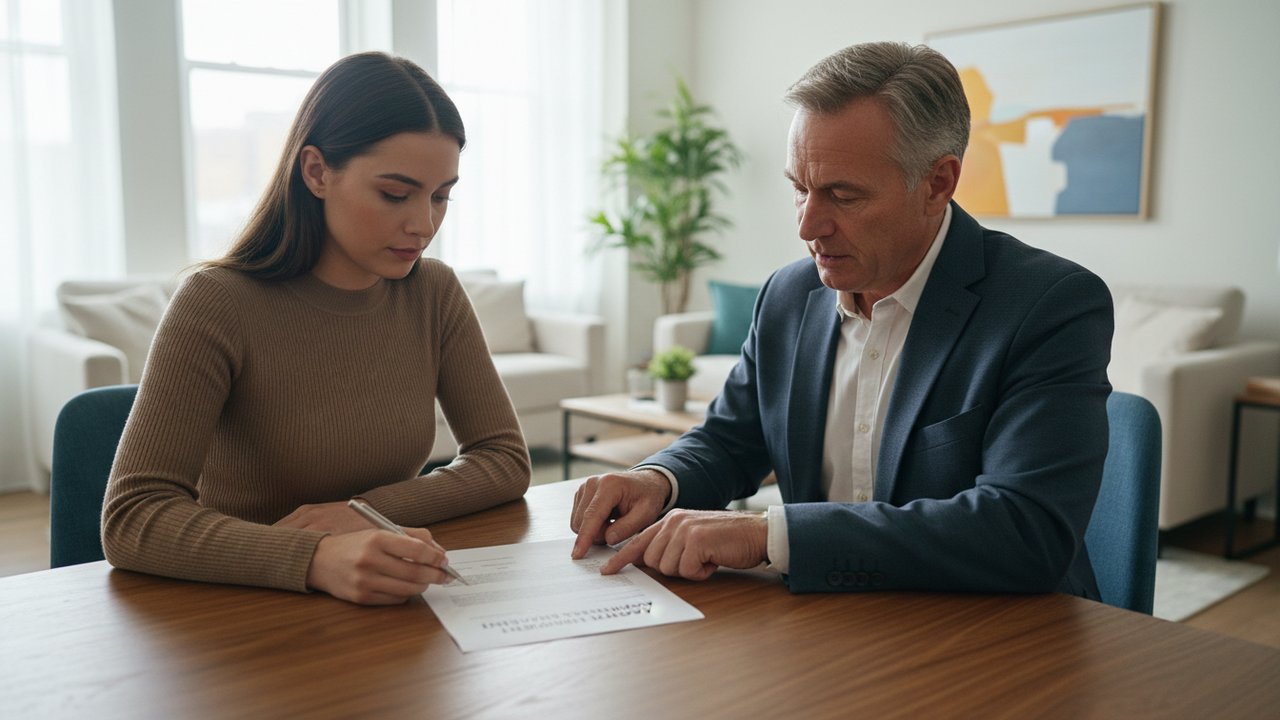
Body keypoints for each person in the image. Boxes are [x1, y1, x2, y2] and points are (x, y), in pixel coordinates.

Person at [570, 41, 1113, 597]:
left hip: (996, 635)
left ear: (938, 184)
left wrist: (768, 536)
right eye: (799, 189)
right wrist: (656, 479)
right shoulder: (787, 294)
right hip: (826, 624)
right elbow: (731, 439)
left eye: (842, 195)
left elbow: (1024, 531)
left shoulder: (1049, 305)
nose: (808, 227)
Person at [102, 52, 530, 605]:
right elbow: (134, 517)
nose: (424, 225)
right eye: (395, 194)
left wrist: (362, 514)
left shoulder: (434, 292)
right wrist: (317, 557)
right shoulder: (216, 302)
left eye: (441, 195)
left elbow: (504, 459)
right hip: (244, 610)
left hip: (380, 598)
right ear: (317, 172)